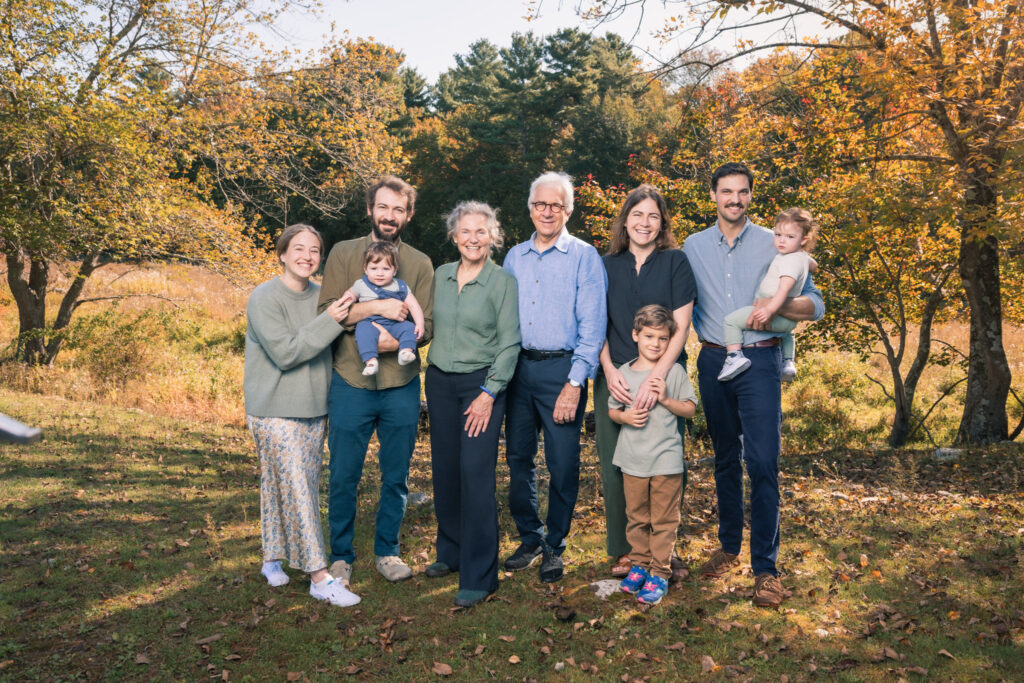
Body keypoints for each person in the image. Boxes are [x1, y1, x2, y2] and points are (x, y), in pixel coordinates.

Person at [682, 163, 824, 608]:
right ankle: (728, 547)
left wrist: (780, 306)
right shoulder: (693, 245)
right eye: (727, 192)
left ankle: (766, 569)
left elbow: (816, 304)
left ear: (750, 196)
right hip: (712, 358)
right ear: (713, 195)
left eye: (742, 192)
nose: (735, 200)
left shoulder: (777, 241)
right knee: (725, 457)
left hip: (761, 359)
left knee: (763, 462)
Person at [317, 175, 434, 587]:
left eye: (398, 209)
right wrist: (379, 307)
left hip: (401, 386)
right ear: (369, 209)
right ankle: (341, 557)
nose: (389, 215)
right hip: (350, 381)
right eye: (382, 207)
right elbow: (330, 311)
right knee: (343, 474)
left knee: (396, 474)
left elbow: (428, 325)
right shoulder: (343, 254)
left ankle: (388, 551)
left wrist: (389, 343)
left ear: (408, 215)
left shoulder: (419, 264)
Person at [244, 224, 361, 607]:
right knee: (295, 486)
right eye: (298, 248)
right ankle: (319, 577)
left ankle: (271, 557)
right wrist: (332, 319)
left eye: (315, 250)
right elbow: (287, 353)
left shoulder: (321, 296)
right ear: (282, 253)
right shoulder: (264, 297)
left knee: (294, 485)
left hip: (315, 408)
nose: (307, 256)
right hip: (274, 409)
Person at [502, 171, 607, 583]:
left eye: (556, 205)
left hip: (563, 370)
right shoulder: (513, 257)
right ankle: (530, 537)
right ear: (530, 208)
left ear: (569, 210)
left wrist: (575, 381)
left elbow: (593, 325)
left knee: (562, 464)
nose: (547, 212)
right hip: (518, 370)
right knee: (518, 458)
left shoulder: (584, 256)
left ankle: (555, 545)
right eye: (540, 204)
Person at [596, 184, 696, 580]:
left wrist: (659, 374)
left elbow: (682, 323)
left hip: (663, 372)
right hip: (617, 375)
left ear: (662, 223)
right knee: (617, 464)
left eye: (653, 216)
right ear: (625, 219)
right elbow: (594, 322)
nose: (645, 222)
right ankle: (627, 552)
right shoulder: (606, 264)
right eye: (638, 214)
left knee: (666, 462)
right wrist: (608, 369)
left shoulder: (675, 262)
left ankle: (663, 553)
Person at [424, 201, 521, 608]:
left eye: (481, 231)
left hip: (480, 385)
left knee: (475, 472)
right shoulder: (441, 275)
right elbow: (423, 323)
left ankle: (481, 573)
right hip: (439, 381)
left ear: (493, 236)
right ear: (454, 236)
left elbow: (510, 342)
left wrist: (488, 392)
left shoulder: (502, 282)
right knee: (445, 468)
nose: (473, 238)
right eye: (466, 231)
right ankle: (450, 550)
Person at [609, 305, 697, 605]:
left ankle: (660, 572)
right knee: (636, 517)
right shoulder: (623, 373)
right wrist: (625, 418)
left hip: (666, 460)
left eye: (662, 338)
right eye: (649, 336)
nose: (655, 344)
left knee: (663, 519)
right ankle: (640, 565)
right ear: (636, 335)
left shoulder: (673, 372)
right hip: (633, 459)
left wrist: (666, 400)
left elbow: (691, 409)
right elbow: (612, 410)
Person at [718, 207, 818, 382]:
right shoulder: (801, 256)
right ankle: (788, 362)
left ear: (804, 239)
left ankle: (734, 357)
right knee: (787, 332)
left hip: (772, 312)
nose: (781, 241)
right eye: (778, 234)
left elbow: (783, 290)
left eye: (790, 237)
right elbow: (814, 265)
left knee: (731, 321)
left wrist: (769, 310)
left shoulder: (789, 261)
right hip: (787, 323)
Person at [350, 241, 425, 376]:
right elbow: (349, 296)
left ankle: (405, 352)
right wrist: (346, 301)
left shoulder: (400, 286)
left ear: (395, 270)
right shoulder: (361, 284)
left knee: (409, 327)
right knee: (362, 332)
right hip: (370, 322)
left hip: (395, 323)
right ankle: (371, 362)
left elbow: (414, 305)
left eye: (385, 269)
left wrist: (419, 323)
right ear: (365, 269)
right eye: (374, 268)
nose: (380, 273)